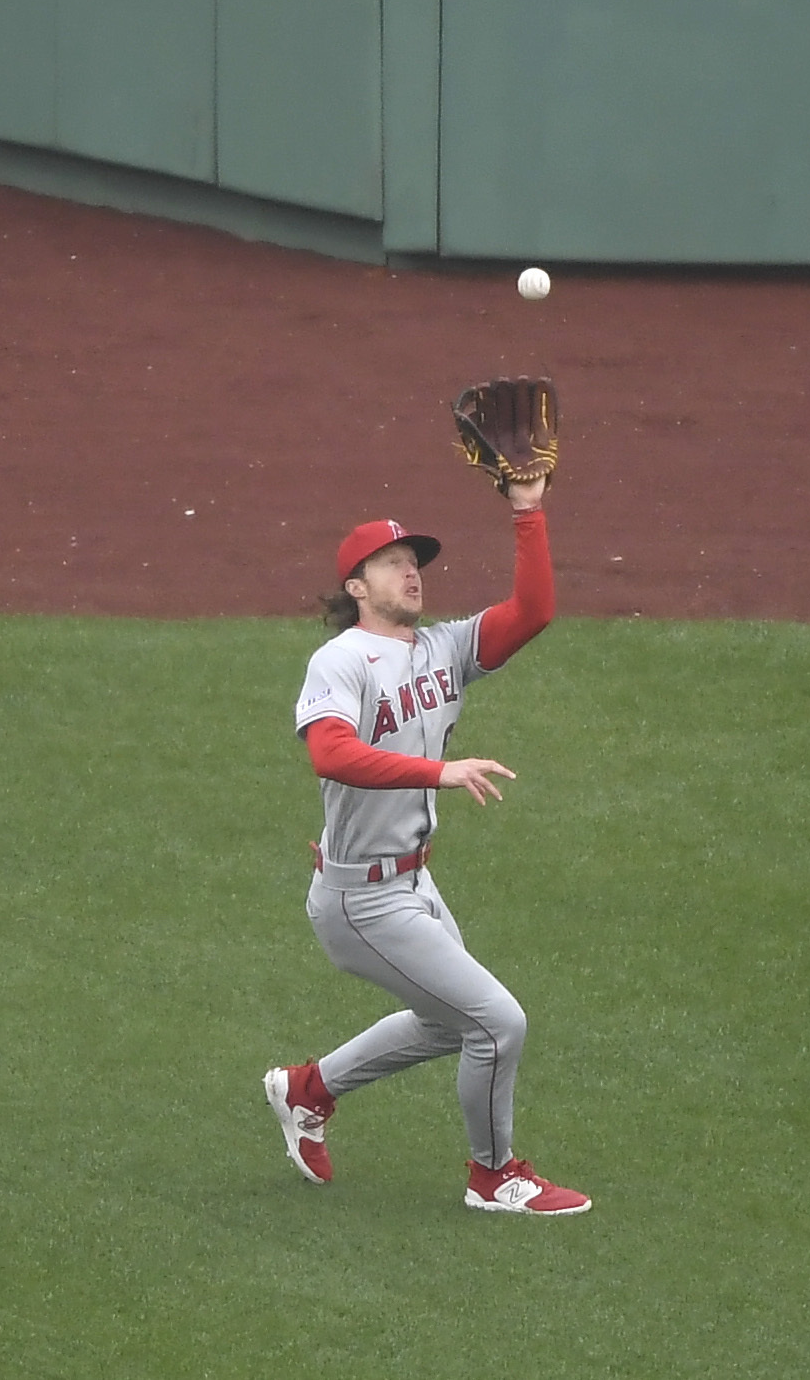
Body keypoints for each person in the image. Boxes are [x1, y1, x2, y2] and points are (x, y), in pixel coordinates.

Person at [260, 476, 591, 1216]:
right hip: (359, 900)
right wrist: (441, 771)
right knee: (497, 1023)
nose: (411, 571)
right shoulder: (341, 660)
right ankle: (494, 1175)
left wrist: (526, 511)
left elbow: (532, 611)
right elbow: (331, 754)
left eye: (415, 559)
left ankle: (307, 1091)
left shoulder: (444, 648)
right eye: (390, 561)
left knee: (452, 1023)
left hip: (412, 885)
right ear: (357, 585)